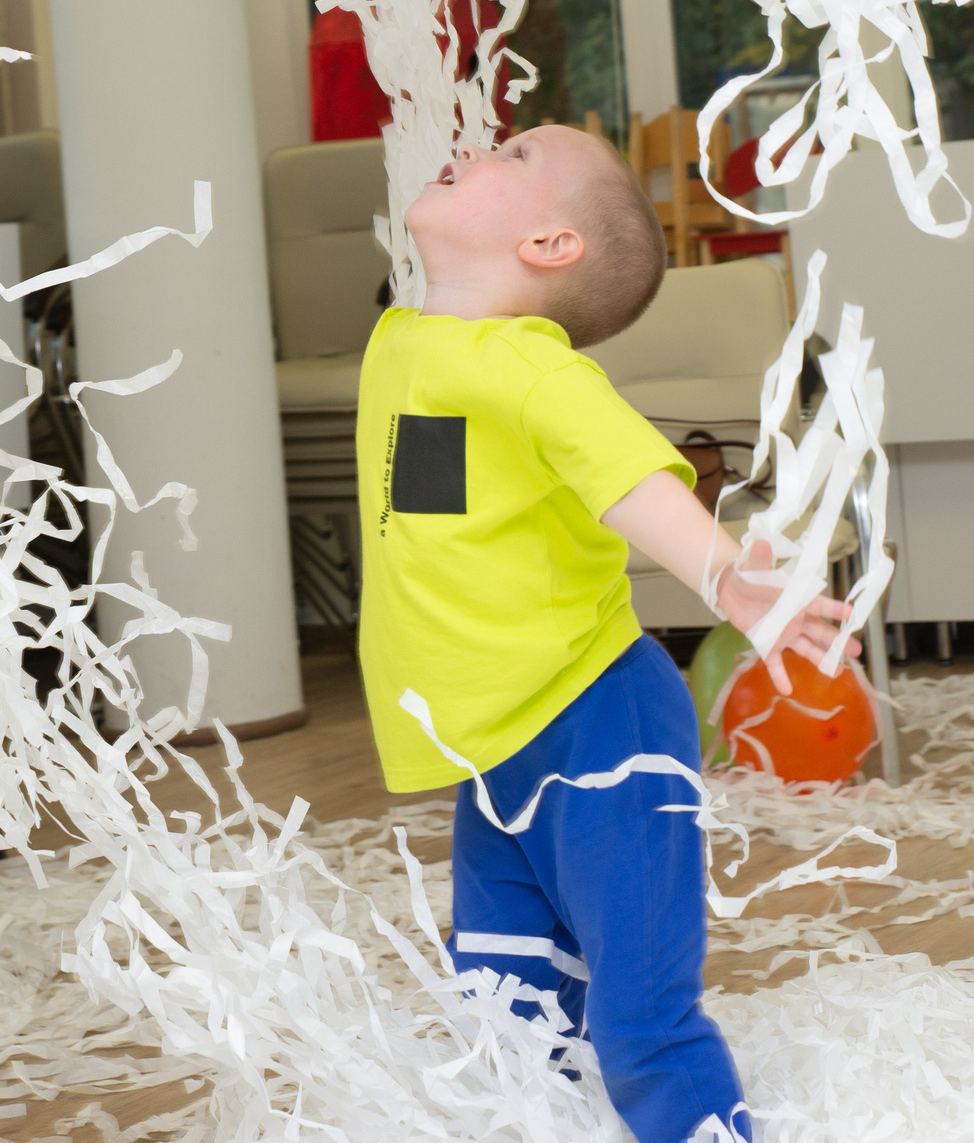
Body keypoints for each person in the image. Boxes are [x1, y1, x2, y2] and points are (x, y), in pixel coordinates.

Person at [356, 124, 852, 1143]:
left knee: (639, 1026)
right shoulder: (411, 343)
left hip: (597, 735)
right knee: (504, 1010)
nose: (476, 148)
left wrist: (727, 575)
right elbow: (446, 509)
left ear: (547, 245)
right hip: (492, 748)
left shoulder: (536, 373)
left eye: (514, 154)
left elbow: (623, 474)